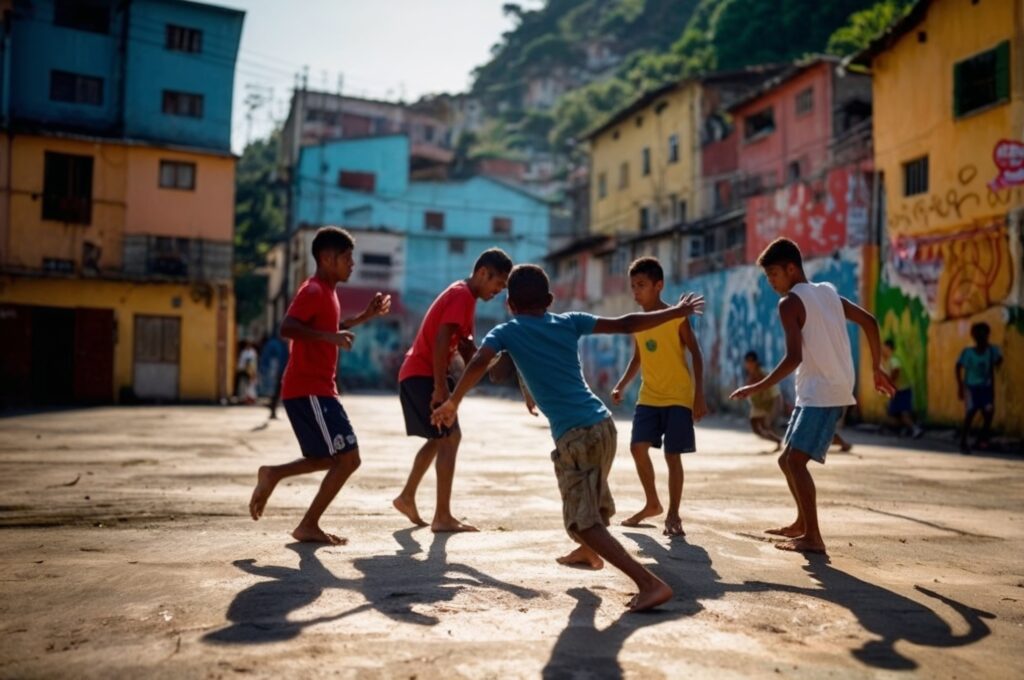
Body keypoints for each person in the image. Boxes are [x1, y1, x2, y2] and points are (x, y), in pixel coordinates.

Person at [431, 264, 705, 611]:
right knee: (591, 500)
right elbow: (626, 324)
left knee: (582, 521)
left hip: (576, 436)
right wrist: (676, 312)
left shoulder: (505, 331)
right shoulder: (570, 321)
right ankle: (588, 552)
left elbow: (478, 364)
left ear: (509, 305)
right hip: (603, 426)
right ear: (549, 300)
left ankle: (649, 584)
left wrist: (453, 401)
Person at [730, 238, 894, 554]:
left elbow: (794, 357)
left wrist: (757, 386)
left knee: (795, 461)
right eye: (767, 275)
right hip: (819, 391)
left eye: (773, 274)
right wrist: (876, 367)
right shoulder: (828, 292)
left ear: (791, 268)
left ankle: (813, 537)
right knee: (786, 460)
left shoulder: (789, 303)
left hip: (823, 393)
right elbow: (869, 322)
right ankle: (802, 524)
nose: (770, 281)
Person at [247, 226, 391, 544]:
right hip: (310, 389)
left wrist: (365, 316)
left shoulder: (328, 292)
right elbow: (288, 327)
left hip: (315, 390)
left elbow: (330, 327)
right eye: (347, 258)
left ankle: (274, 474)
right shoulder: (313, 290)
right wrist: (330, 337)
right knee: (349, 459)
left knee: (331, 458)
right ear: (327, 258)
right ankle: (308, 524)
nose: (352, 264)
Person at [392, 249, 513, 533]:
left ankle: (407, 497)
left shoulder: (465, 298)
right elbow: (441, 340)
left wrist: (491, 361)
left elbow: (465, 348)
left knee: (439, 439)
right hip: (422, 375)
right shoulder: (461, 295)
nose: (499, 291)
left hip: (419, 373)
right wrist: (439, 388)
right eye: (499, 283)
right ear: (482, 273)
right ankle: (442, 517)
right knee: (450, 438)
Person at [610, 257, 706, 536]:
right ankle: (652, 503)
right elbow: (638, 357)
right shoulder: (638, 322)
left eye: (641, 285)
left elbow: (696, 354)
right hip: (649, 396)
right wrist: (621, 385)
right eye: (633, 286)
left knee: (672, 455)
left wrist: (699, 395)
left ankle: (674, 514)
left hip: (677, 396)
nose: (635, 291)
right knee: (637, 448)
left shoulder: (677, 316)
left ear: (658, 285)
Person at [956, 322, 1002, 454]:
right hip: (971, 388)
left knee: (988, 412)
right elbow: (958, 367)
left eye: (984, 335)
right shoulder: (968, 352)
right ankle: (963, 441)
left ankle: (981, 439)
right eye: (978, 335)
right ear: (974, 337)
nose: (981, 338)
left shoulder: (992, 351)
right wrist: (960, 386)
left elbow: (998, 361)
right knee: (971, 413)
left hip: (986, 388)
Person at [743, 351, 783, 451]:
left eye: (751, 361)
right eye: (747, 362)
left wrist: (774, 411)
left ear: (756, 362)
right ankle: (777, 440)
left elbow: (776, 394)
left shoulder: (763, 374)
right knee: (755, 426)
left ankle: (779, 440)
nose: (749, 364)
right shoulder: (749, 374)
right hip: (758, 405)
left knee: (766, 425)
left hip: (769, 403)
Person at [882, 339, 923, 438]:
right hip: (899, 390)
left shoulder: (894, 360)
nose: (882, 350)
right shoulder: (892, 359)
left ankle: (915, 429)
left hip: (902, 390)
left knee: (903, 414)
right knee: (895, 413)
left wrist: (890, 384)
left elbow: (896, 370)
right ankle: (906, 429)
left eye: (883, 348)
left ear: (888, 348)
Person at [261, 332, 289, 419]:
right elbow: (271, 359)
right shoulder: (276, 344)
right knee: (276, 391)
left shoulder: (283, 344)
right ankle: (272, 409)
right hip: (278, 371)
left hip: (283, 371)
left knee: (277, 392)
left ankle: (273, 409)